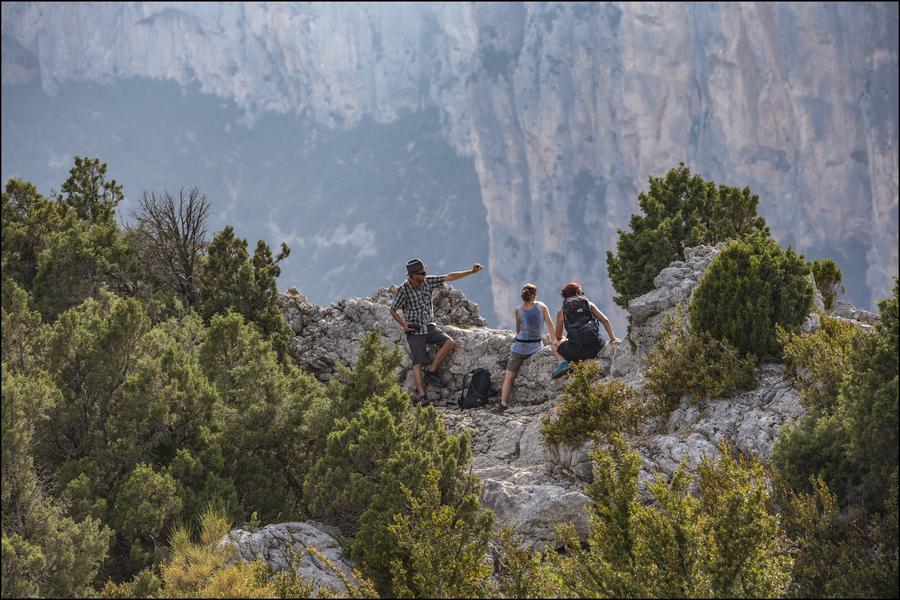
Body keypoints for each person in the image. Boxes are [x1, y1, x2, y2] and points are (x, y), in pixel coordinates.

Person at [389, 258, 484, 406]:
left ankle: (431, 371)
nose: (424, 275)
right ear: (413, 275)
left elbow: (450, 276)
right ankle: (422, 396)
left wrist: (471, 271)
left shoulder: (428, 281)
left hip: (430, 326)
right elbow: (392, 310)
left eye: (424, 271)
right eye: (421, 273)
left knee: (449, 343)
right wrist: (404, 324)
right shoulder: (404, 289)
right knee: (417, 363)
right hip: (415, 330)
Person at [499, 283, 555, 411]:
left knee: (508, 377)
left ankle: (503, 403)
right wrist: (554, 341)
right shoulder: (542, 307)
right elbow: (551, 326)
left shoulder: (518, 310)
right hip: (536, 346)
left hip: (519, 348)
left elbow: (518, 330)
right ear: (534, 295)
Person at [551, 281, 620, 378]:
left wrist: (566, 338)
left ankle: (563, 364)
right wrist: (613, 338)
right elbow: (605, 320)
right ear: (579, 292)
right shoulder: (588, 304)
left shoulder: (562, 312)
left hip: (575, 351)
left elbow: (558, 336)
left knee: (554, 344)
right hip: (595, 347)